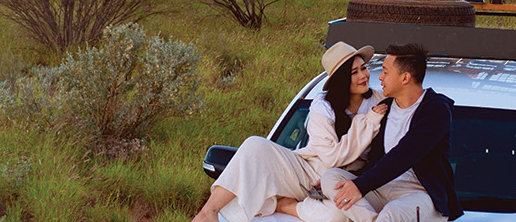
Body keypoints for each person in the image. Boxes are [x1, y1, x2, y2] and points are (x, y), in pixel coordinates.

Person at [191, 42, 389, 222]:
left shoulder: (380, 99)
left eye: (363, 68)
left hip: (345, 180)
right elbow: (331, 158)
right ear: (341, 80)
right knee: (254, 144)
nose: (363, 76)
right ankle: (208, 211)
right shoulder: (323, 105)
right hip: (309, 172)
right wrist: (368, 122)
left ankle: (284, 206)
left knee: (337, 214)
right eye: (354, 72)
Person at [325, 43, 462, 221]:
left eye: (385, 72)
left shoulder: (435, 110)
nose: (380, 77)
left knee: (392, 213)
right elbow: (368, 157)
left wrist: (360, 185)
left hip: (420, 194)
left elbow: (405, 154)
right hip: (381, 188)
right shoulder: (384, 108)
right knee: (331, 178)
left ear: (405, 78)